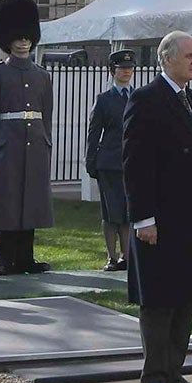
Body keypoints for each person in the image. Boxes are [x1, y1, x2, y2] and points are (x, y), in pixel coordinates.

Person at [123, 31, 192, 383]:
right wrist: (143, 218)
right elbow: (135, 164)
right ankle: (154, 377)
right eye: (191, 55)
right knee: (160, 300)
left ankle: (175, 371)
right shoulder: (147, 100)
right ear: (167, 59)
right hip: (159, 219)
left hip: (191, 218)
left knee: (186, 297)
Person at [0, 0, 54, 276]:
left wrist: (46, 144)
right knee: (7, 201)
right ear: (7, 40)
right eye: (17, 37)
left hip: (34, 144)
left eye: (27, 37)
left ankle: (26, 257)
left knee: (31, 201)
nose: (23, 42)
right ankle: (5, 258)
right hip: (7, 144)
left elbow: (45, 115)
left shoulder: (41, 75)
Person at [84, 49, 138, 271]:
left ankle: (127, 256)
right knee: (111, 213)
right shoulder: (104, 100)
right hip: (109, 163)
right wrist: (91, 160)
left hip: (132, 162)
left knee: (127, 212)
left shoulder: (137, 97)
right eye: (122, 68)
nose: (126, 72)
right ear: (112, 71)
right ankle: (112, 256)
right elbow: (94, 132)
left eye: (129, 68)